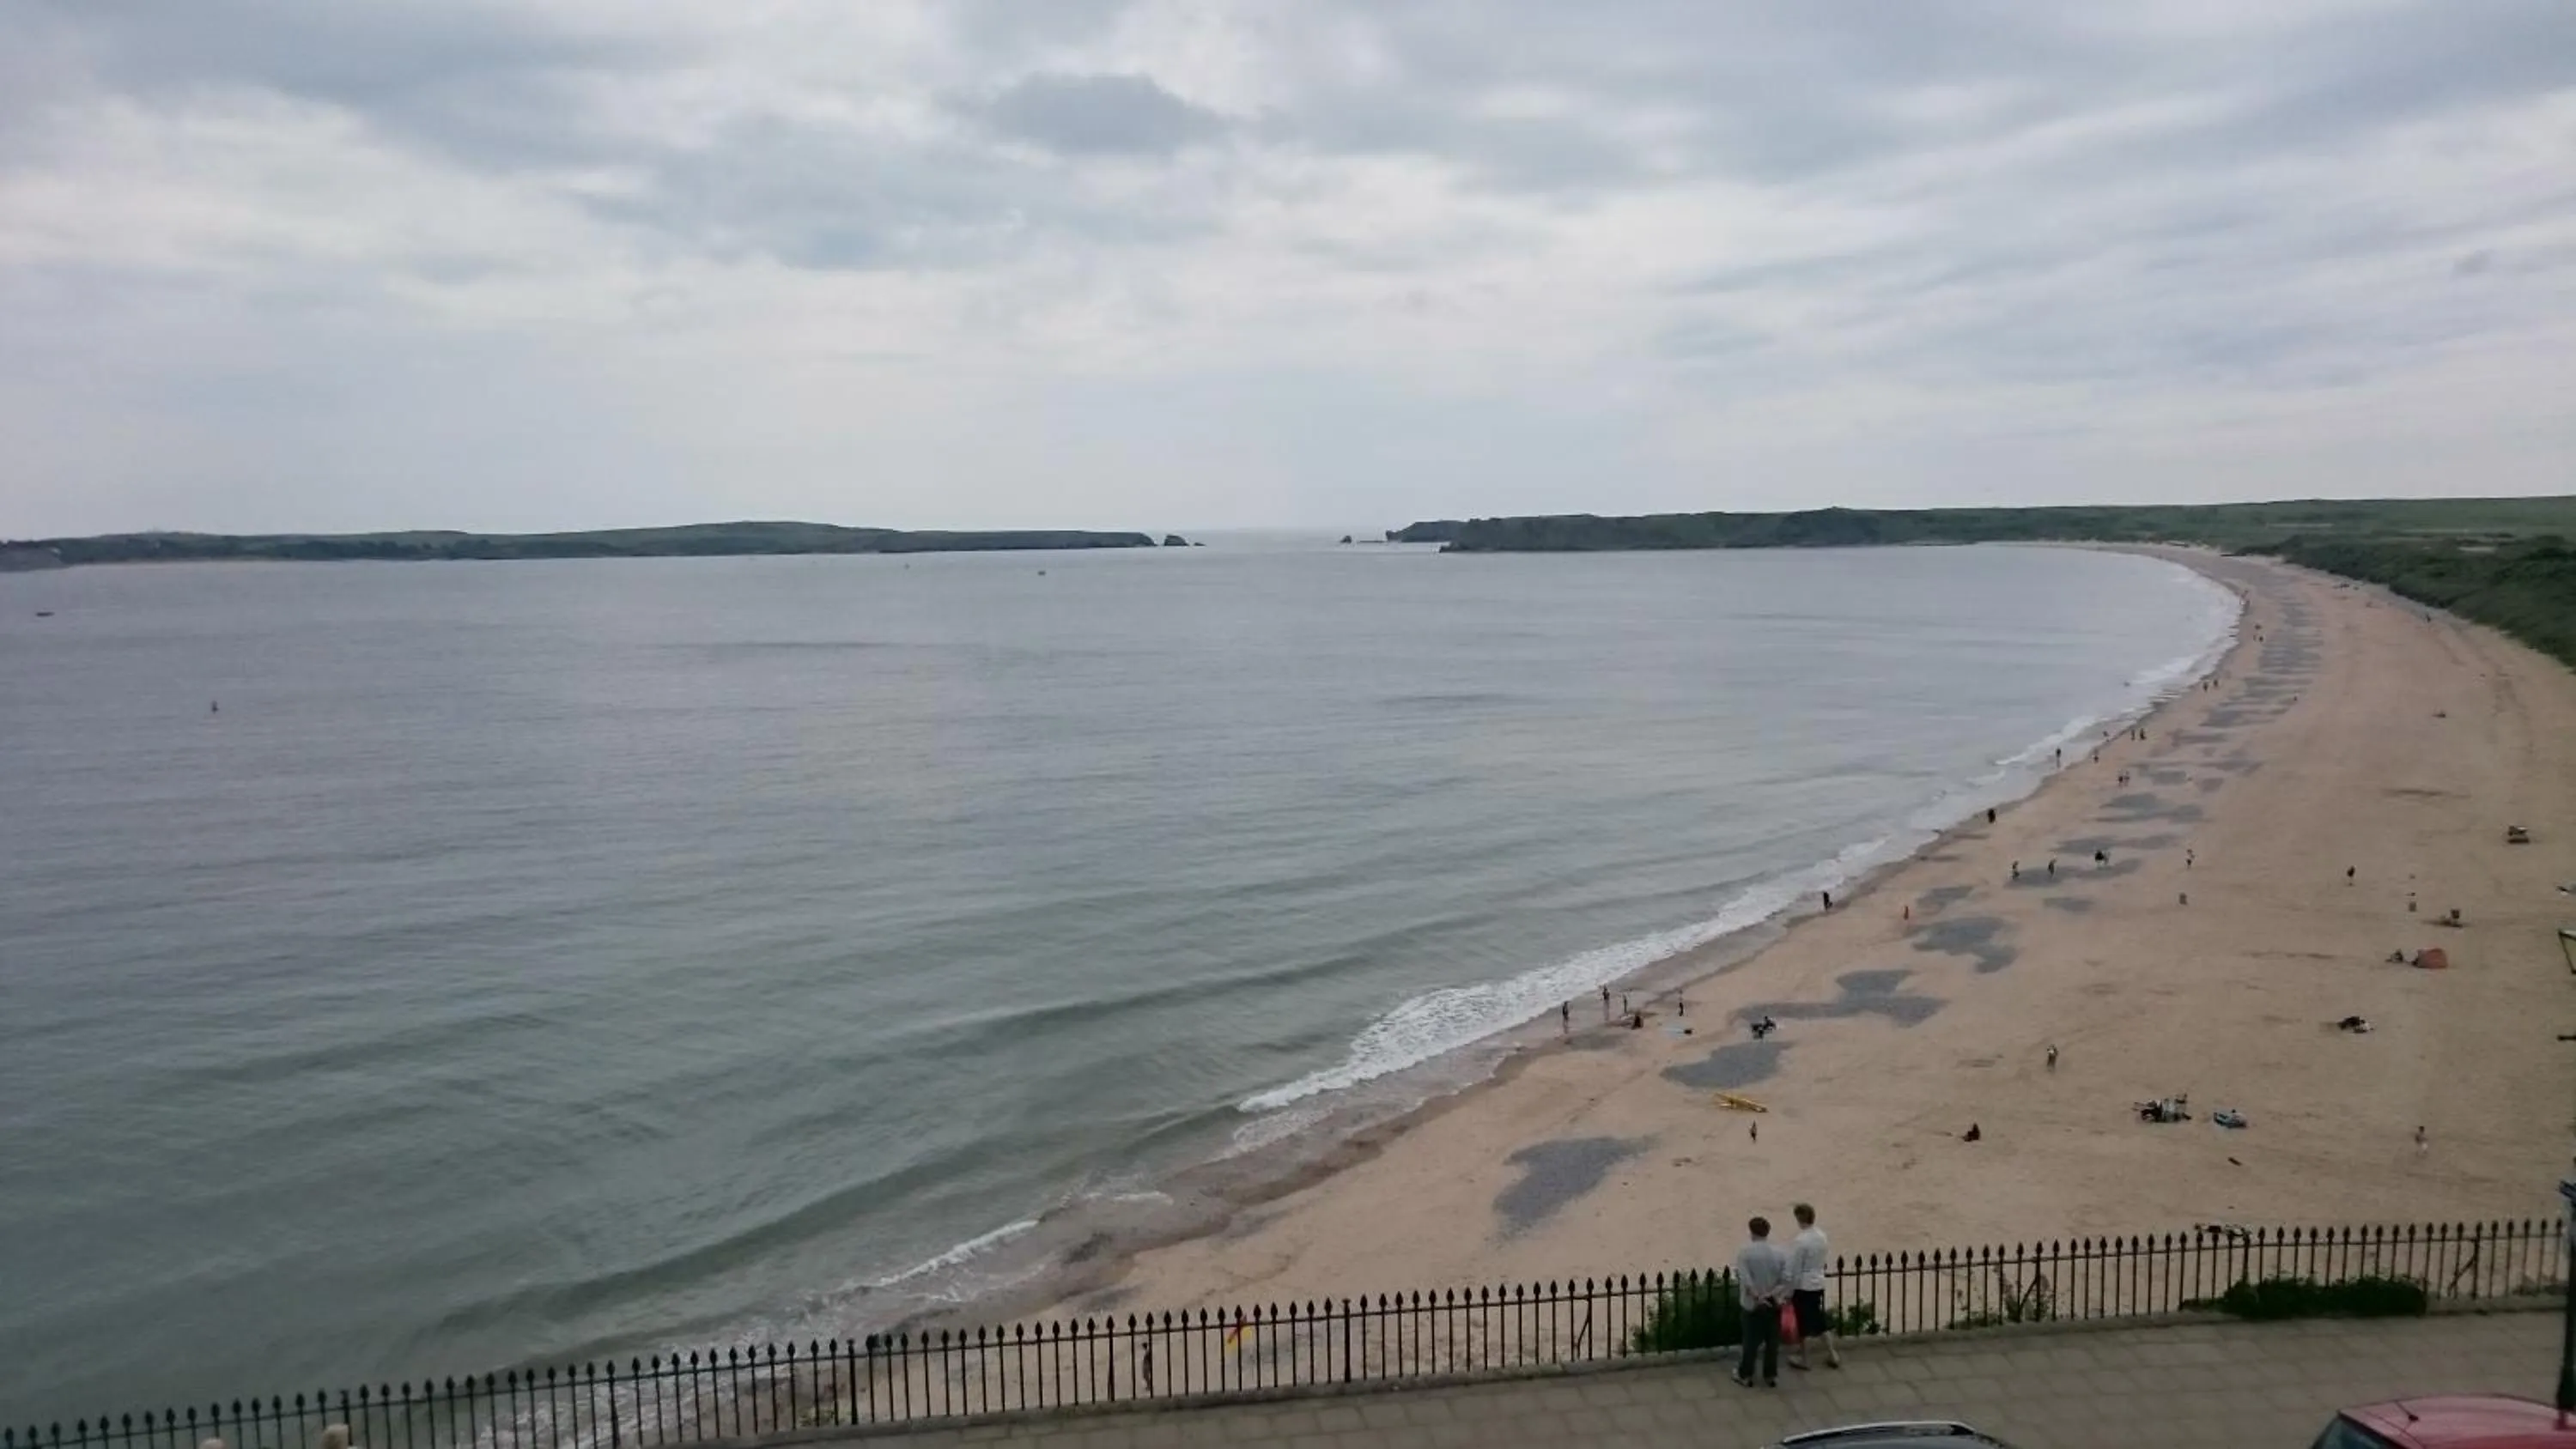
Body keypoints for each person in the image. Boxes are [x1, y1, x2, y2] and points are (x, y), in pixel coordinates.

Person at [1731, 1216, 1789, 1388]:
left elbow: (1746, 1280)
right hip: (1774, 1302)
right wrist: (1771, 1295)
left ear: (1751, 1232)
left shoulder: (1745, 1253)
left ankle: (1745, 1374)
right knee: (1772, 1341)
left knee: (1750, 1341)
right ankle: (1770, 1375)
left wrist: (1758, 1297)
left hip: (1752, 1304)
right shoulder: (1779, 1253)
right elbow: (1785, 1279)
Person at [1786, 1203, 1843, 1370]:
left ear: (1799, 1219)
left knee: (1803, 1323)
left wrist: (1789, 1291)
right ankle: (1832, 1353)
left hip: (1803, 1286)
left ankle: (1805, 1359)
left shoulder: (1801, 1241)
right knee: (1818, 1320)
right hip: (1818, 1282)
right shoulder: (1821, 1236)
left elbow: (1796, 1269)